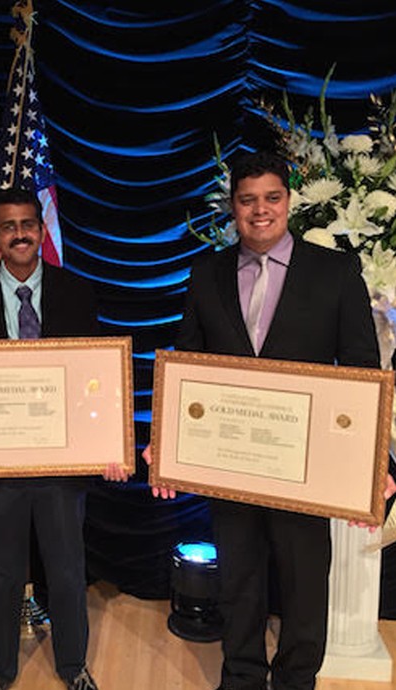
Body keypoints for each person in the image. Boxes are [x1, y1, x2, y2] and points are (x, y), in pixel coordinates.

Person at [153, 151, 381, 690]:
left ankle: (297, 681)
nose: (261, 211)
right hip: (231, 464)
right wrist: (163, 443)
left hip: (305, 469)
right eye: (248, 199)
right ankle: (242, 678)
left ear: (289, 202)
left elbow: (361, 371)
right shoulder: (206, 274)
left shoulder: (335, 272)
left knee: (305, 591)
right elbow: (188, 364)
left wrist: (370, 463)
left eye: (272, 198)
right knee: (239, 584)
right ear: (233, 207)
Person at [0, 188, 126, 690]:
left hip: (61, 466)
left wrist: (109, 444)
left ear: (42, 231)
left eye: (29, 224)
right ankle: (1, 668)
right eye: (9, 226)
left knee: (67, 573)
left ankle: (73, 667)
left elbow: (97, 379)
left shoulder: (77, 292)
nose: (20, 234)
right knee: (0, 575)